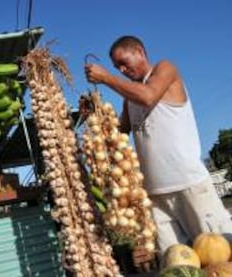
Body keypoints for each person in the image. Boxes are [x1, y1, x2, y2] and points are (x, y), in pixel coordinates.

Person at [84, 35, 232, 264]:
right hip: (154, 196)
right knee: (175, 263)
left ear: (140, 52)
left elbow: (148, 96)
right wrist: (95, 114)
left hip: (189, 185)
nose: (122, 70)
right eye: (116, 67)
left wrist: (106, 77)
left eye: (124, 62)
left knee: (218, 257)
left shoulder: (165, 69)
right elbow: (119, 133)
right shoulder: (129, 98)